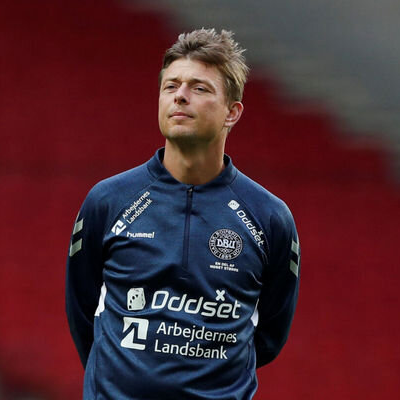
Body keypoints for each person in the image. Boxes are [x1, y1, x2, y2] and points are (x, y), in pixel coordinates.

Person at [66, 28, 300, 399]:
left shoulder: (270, 218)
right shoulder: (108, 201)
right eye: (171, 86)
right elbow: (82, 312)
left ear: (232, 112)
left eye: (199, 88)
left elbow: (269, 335)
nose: (180, 95)